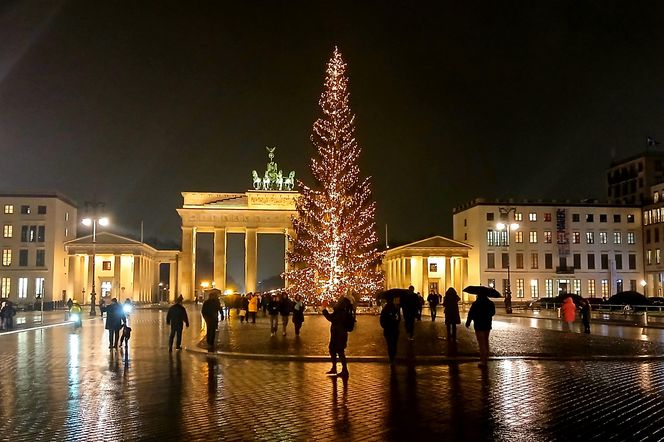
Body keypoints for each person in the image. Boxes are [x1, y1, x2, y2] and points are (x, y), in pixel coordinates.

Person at [322, 292, 354, 377]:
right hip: (338, 334)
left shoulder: (341, 312)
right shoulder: (342, 311)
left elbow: (331, 318)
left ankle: (344, 370)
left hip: (339, 335)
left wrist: (324, 310)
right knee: (334, 350)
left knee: (339, 351)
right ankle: (336, 368)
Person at [465, 291, 495, 368]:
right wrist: (487, 315)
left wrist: (468, 322)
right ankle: (486, 357)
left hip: (478, 324)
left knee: (481, 343)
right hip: (487, 324)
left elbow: (471, 313)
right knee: (486, 340)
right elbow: (493, 312)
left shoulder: (476, 303)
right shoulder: (490, 303)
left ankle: (483, 361)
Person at [380, 295, 401, 364]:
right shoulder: (395, 309)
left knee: (389, 344)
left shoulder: (385, 309)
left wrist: (385, 326)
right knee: (394, 344)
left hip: (387, 329)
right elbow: (398, 319)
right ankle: (393, 356)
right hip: (394, 329)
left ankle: (391, 358)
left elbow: (382, 320)